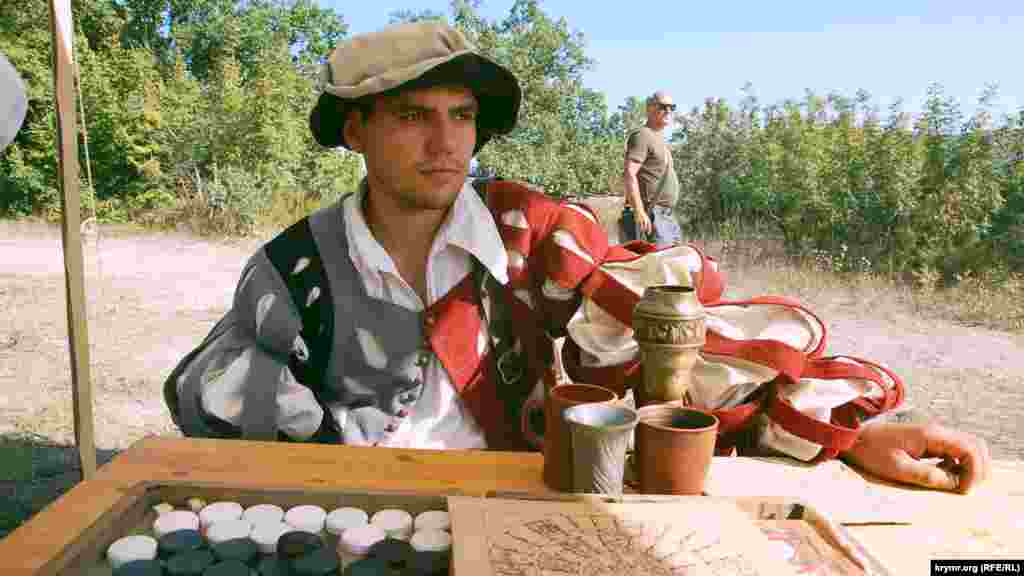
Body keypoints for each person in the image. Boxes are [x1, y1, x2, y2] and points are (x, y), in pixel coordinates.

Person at [164, 21, 990, 494]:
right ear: (356, 130)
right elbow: (209, 386)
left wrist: (854, 433)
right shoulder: (293, 267)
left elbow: (675, 334)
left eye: (462, 114)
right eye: (414, 115)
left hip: (519, 505)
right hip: (361, 517)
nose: (448, 142)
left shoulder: (528, 229)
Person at [621, 91, 682, 245]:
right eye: (662, 106)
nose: (668, 111)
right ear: (649, 108)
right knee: (660, 265)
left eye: (671, 107)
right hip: (652, 214)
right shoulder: (642, 135)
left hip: (666, 215)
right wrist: (639, 212)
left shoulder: (660, 139)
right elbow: (629, 174)